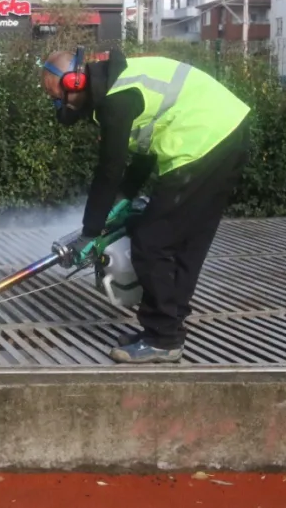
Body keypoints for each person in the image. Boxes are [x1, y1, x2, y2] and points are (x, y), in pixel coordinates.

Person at [40, 46, 251, 363]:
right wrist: (124, 200)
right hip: (228, 132)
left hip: (203, 141)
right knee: (187, 241)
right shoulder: (118, 83)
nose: (60, 106)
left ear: (74, 82)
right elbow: (141, 156)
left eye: (59, 97)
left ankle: (163, 337)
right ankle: (166, 329)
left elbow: (108, 171)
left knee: (152, 239)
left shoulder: (116, 99)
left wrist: (90, 232)